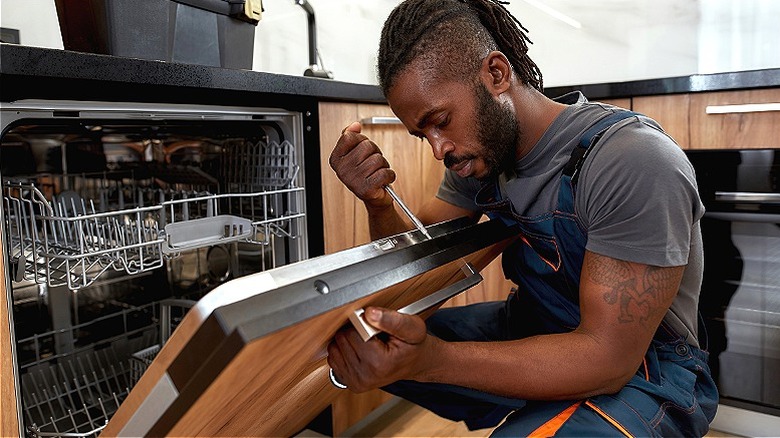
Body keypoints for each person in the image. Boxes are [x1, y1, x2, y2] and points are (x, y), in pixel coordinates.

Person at [326, 0, 718, 436]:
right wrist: (378, 204)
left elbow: (608, 361)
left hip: (645, 371)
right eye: (423, 135)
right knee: (371, 344)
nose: (438, 149)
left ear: (496, 74)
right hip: (538, 326)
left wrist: (433, 360)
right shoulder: (479, 157)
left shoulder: (630, 160)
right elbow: (417, 276)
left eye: (440, 122)